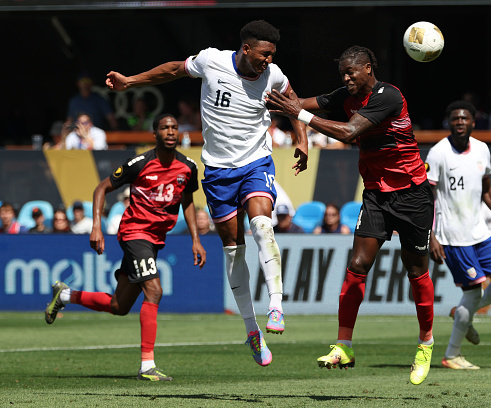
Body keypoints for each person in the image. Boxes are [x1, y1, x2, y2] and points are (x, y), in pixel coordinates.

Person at [105, 20, 308, 367]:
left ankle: (276, 304)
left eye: (272, 55)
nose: (268, 61)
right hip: (217, 172)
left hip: (256, 163)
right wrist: (131, 81)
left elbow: (294, 102)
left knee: (262, 225)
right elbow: (173, 69)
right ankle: (251, 330)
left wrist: (301, 139)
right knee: (233, 251)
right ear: (246, 48)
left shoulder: (273, 75)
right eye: (264, 54)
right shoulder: (212, 60)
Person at [266, 45, 435, 385]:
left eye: (350, 72)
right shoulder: (346, 95)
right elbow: (300, 103)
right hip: (375, 196)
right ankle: (344, 345)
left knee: (416, 271)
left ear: (368, 68)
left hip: (412, 195)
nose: (345, 78)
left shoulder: (388, 96)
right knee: (357, 265)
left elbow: (348, 132)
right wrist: (264, 97)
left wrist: (299, 116)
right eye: (342, 73)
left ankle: (425, 344)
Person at [44, 114, 206, 381]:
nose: (170, 132)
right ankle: (147, 366)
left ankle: (65, 295)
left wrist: (195, 239)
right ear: (154, 134)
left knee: (119, 305)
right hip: (134, 233)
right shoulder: (139, 163)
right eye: (164, 128)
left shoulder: (188, 167)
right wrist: (96, 226)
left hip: (155, 239)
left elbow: (187, 200)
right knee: (154, 290)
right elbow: (101, 188)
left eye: (174, 127)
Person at [425, 100, 491, 370]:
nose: (460, 122)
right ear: (449, 123)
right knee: (473, 293)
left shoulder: (481, 149)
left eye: (464, 118)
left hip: (480, 232)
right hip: (453, 237)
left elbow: (487, 188)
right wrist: (431, 235)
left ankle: (461, 314)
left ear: (473, 122)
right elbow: (425, 196)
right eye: (455, 118)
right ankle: (451, 355)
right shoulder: (438, 153)